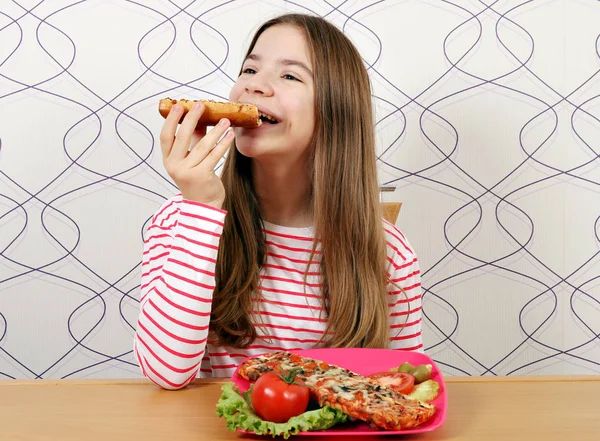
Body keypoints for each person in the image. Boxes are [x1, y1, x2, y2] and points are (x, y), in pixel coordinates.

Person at [133, 13, 423, 390]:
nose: (255, 86)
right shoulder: (181, 219)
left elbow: (405, 389)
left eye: (289, 76)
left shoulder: (389, 252)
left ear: (336, 112)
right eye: (250, 69)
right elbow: (165, 373)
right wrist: (202, 207)